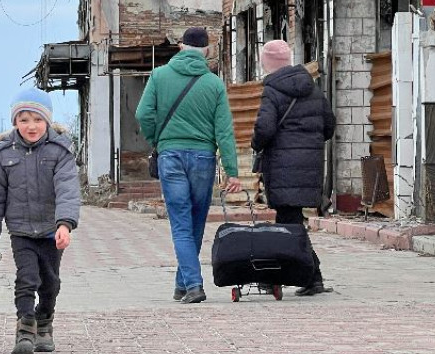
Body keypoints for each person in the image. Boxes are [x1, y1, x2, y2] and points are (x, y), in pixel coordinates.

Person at [136, 26, 241, 305]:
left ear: (181, 46)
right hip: (203, 159)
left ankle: (189, 284)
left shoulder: (159, 75)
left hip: (171, 157)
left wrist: (157, 139)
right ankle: (186, 284)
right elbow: (224, 131)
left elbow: (143, 114)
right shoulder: (214, 84)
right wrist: (232, 170)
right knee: (194, 222)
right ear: (206, 51)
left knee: (181, 223)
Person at [0, 87, 81, 354]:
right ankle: (24, 329)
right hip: (21, 230)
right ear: (15, 123)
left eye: (36, 119)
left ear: (47, 121)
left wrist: (65, 224)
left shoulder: (60, 151)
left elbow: (68, 189)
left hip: (51, 230)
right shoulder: (2, 154)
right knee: (27, 279)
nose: (31, 126)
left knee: (50, 282)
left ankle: (44, 323)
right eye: (23, 120)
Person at [251, 39, 336, 296]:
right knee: (290, 221)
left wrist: (256, 143)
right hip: (309, 168)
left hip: (282, 168)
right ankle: (298, 277)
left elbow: (264, 129)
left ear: (267, 64)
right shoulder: (313, 89)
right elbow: (329, 126)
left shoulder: (273, 91)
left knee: (290, 224)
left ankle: (307, 277)